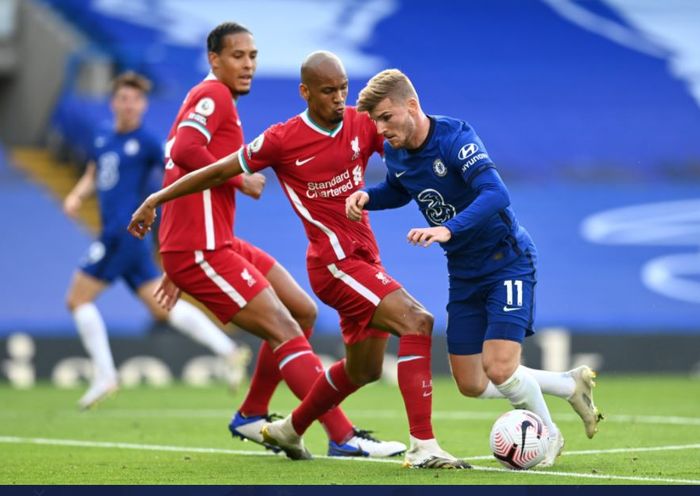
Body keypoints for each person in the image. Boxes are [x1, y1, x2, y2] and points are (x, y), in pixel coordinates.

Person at [128, 50, 469, 470]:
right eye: (328, 91)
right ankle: (424, 445)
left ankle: (291, 428)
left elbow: (406, 150)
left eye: (343, 88)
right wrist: (158, 198)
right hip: (334, 265)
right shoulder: (282, 139)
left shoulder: (362, 122)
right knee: (417, 321)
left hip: (365, 259)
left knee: (362, 370)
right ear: (305, 92)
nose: (338, 98)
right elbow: (218, 171)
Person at [345, 68, 604, 467]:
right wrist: (368, 197)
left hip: (506, 262)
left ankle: (549, 436)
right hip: (463, 272)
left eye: (386, 117)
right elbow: (399, 188)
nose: (381, 129)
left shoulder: (455, 138)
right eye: (375, 122)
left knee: (500, 368)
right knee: (471, 383)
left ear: (412, 106)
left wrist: (448, 229)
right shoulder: (395, 152)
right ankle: (566, 384)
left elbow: (495, 193)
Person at [64, 72, 250, 410]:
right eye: (123, 98)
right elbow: (95, 171)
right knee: (163, 307)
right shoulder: (103, 136)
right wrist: (78, 194)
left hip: (122, 235)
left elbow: (174, 170)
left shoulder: (148, 143)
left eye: (135, 99)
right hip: (119, 237)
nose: (129, 104)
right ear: (114, 102)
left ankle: (105, 375)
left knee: (77, 300)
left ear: (143, 105)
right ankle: (229, 350)